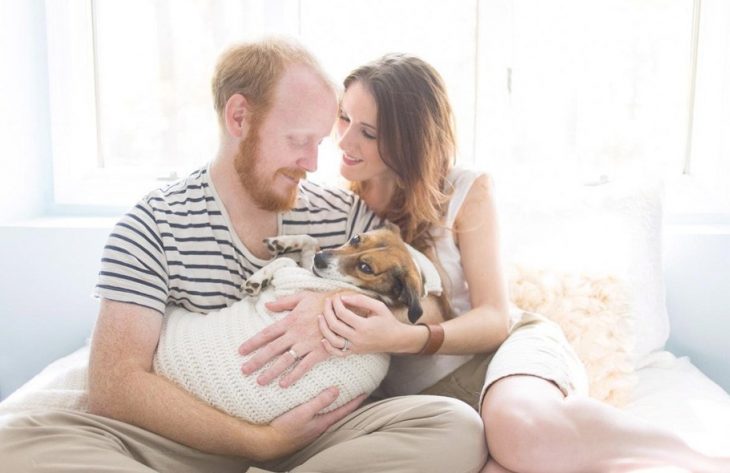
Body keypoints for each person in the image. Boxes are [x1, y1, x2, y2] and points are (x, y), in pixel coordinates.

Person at [0, 39, 487, 473]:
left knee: (455, 427)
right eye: (298, 141)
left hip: (317, 442)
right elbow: (115, 383)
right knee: (15, 444)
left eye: (319, 143)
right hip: (177, 442)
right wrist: (261, 441)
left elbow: (429, 306)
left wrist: (340, 309)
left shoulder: (344, 216)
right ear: (239, 118)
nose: (314, 164)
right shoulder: (152, 225)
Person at [241, 53, 730, 473]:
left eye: (368, 132)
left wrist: (407, 337)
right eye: (343, 118)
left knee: (522, 434)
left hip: (502, 354)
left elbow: (495, 317)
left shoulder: (465, 191)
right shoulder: (335, 203)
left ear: (410, 141)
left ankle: (703, 459)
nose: (344, 143)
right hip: (425, 399)